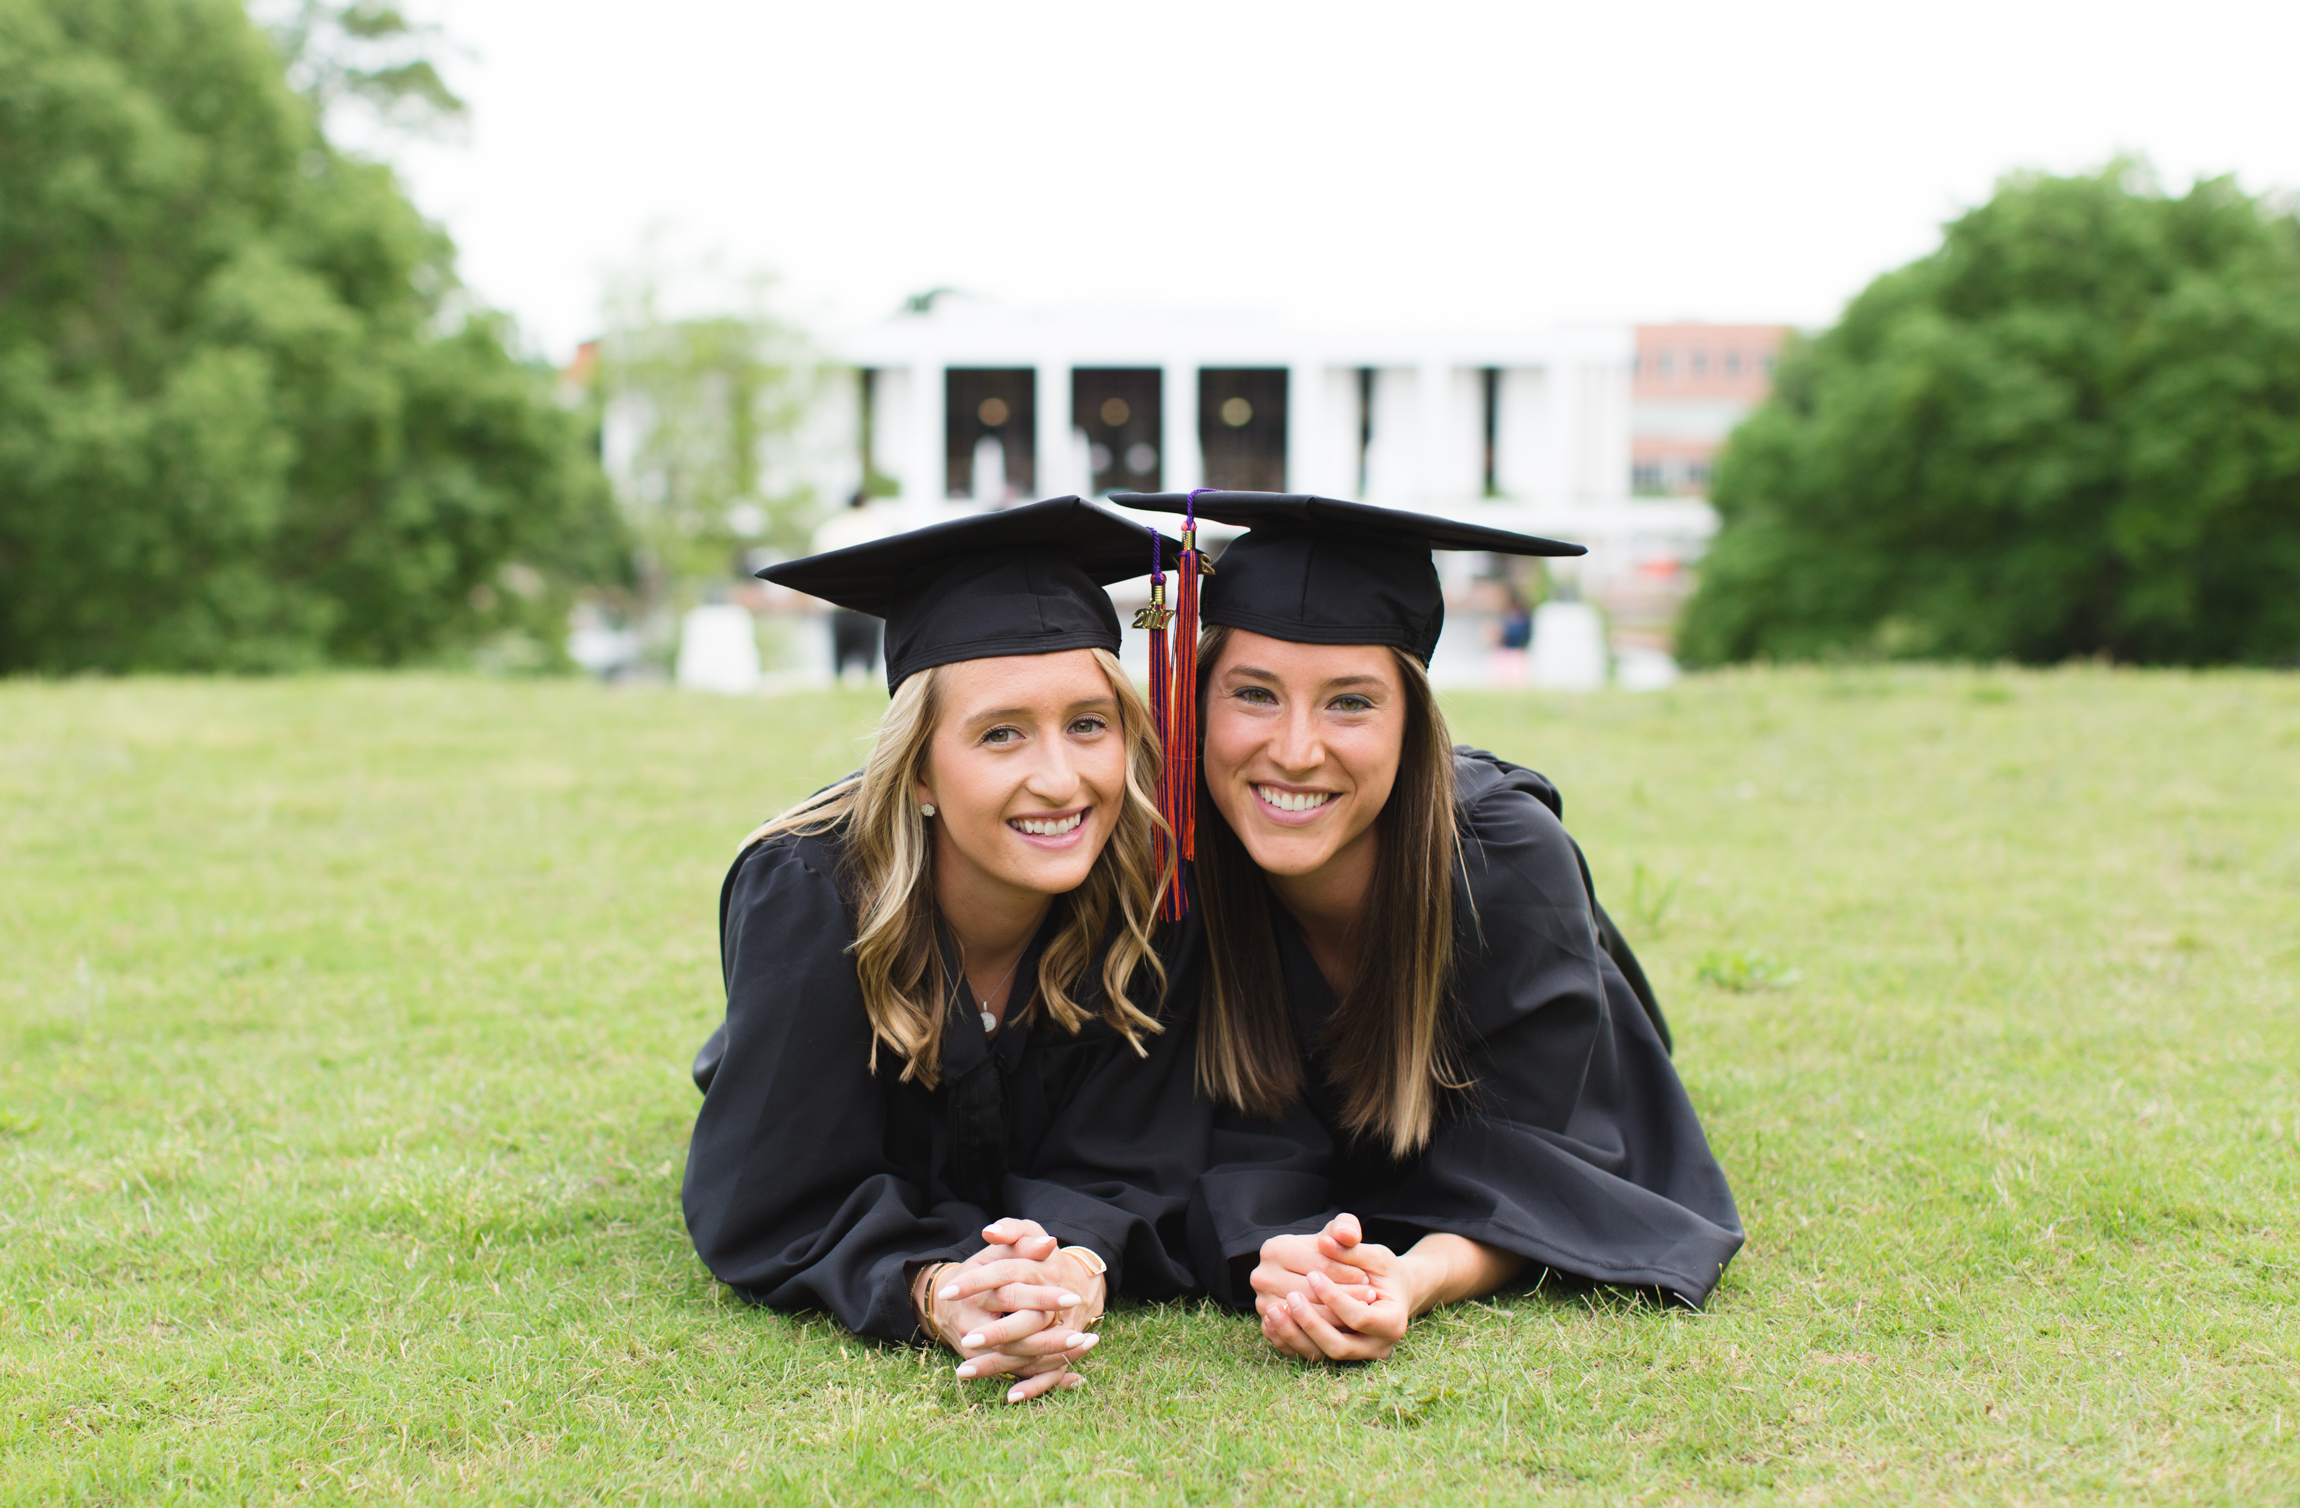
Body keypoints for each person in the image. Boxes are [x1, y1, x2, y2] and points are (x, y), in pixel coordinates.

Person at [1122, 490, 1742, 1363]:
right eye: (1253, 694)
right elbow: (1201, 1141)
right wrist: (1283, 1255)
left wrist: (1410, 1279)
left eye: (1351, 703)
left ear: (1414, 721)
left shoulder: (1505, 863)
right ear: (1195, 703)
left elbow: (1542, 1165)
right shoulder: (1174, 862)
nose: (1297, 750)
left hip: (1559, 1089)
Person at [683, 496, 1203, 1403]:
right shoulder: (810, 896)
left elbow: (1139, 1151)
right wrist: (939, 1289)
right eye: (1001, 732)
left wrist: (1073, 1265)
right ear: (918, 767)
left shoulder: (1150, 893)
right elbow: (775, 1192)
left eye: (1089, 723)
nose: (1060, 777)